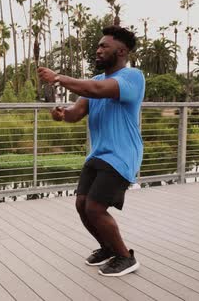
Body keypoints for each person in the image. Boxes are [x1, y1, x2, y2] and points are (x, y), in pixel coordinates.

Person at [37, 25, 144, 277]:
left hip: (121, 155)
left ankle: (125, 257)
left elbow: (94, 91)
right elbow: (76, 113)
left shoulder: (132, 77)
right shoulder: (95, 80)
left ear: (121, 51)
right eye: (98, 45)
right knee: (82, 204)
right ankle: (107, 248)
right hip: (98, 154)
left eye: (103, 46)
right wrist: (61, 115)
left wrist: (58, 77)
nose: (97, 50)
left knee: (95, 207)